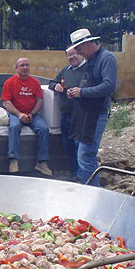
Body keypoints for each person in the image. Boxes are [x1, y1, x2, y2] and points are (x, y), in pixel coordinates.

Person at [66, 28, 118, 186]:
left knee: (86, 155)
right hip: (84, 114)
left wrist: (82, 92)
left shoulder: (107, 58)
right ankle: (85, 186)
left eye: (79, 49)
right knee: (79, 151)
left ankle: (94, 193)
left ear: (88, 44)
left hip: (97, 114)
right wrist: (74, 92)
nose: (79, 53)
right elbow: (87, 84)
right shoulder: (91, 60)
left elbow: (108, 86)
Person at [1, 57, 51, 176]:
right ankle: (13, 160)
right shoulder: (9, 82)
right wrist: (19, 114)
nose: (25, 68)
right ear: (16, 68)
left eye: (27, 65)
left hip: (32, 114)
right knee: (14, 127)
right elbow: (6, 102)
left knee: (44, 129)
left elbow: (39, 100)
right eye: (22, 65)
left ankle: (42, 162)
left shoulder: (35, 82)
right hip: (15, 113)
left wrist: (32, 114)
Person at [48, 48, 87, 178]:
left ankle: (84, 175)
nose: (72, 57)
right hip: (65, 114)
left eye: (74, 54)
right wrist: (56, 86)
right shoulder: (66, 70)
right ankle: (74, 173)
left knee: (80, 146)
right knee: (68, 145)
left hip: (81, 114)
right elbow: (52, 82)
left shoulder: (88, 69)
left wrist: (79, 91)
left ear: (80, 54)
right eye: (69, 55)